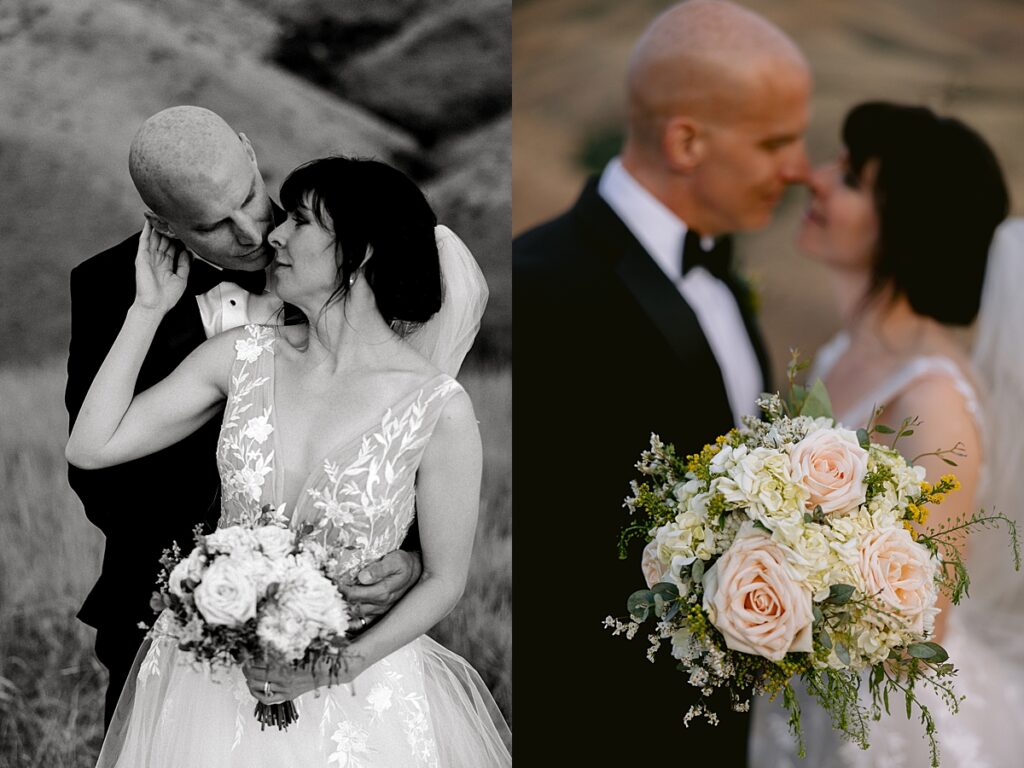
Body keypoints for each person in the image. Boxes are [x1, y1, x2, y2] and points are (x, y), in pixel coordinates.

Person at [67, 156, 511, 766]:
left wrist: (329, 670)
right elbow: (91, 447)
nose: (272, 234)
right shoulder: (239, 357)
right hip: (211, 683)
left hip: (356, 692)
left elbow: (444, 580)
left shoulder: (438, 408)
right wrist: (146, 310)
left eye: (299, 221)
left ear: (357, 255)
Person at [512, 0, 810, 762]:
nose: (799, 167)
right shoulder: (542, 285)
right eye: (777, 141)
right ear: (686, 140)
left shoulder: (722, 276)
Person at [749, 102, 1014, 767]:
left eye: (849, 178)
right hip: (799, 692)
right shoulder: (840, 352)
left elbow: (916, 634)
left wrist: (760, 585)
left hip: (878, 729)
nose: (814, 178)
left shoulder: (933, 401)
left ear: (904, 222)